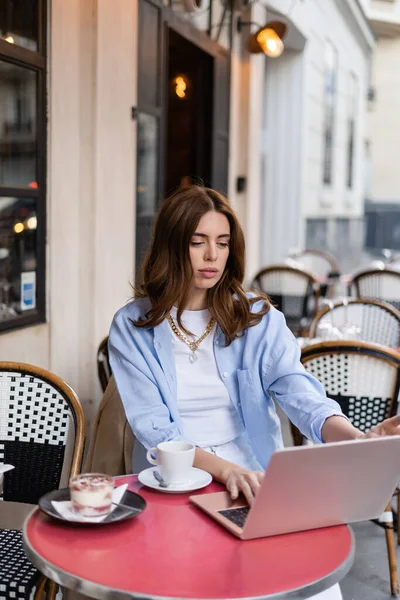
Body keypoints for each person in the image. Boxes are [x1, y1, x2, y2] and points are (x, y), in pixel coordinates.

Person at [109, 185, 400, 600]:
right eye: (198, 242)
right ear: (173, 246)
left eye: (222, 243)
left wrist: (355, 441)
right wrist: (227, 472)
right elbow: (157, 433)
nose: (212, 256)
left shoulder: (256, 317)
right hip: (173, 481)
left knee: (310, 586)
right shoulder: (132, 326)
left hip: (253, 473)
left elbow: (301, 393)